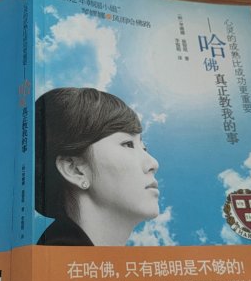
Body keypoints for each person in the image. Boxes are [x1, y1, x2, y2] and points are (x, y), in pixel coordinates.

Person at [35, 87, 160, 246]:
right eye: (128, 144)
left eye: (144, 148)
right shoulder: (58, 256)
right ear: (75, 169)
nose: (153, 164)